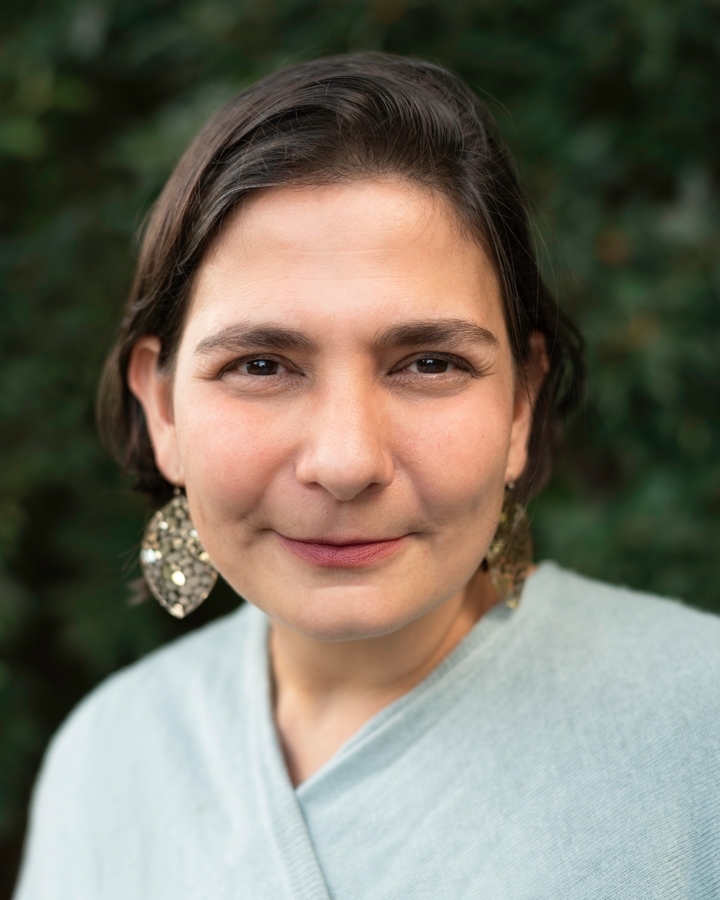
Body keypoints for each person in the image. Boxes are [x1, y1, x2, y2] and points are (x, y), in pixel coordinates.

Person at [13, 54, 720, 900]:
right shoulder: (108, 759)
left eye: (428, 363)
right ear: (162, 410)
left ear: (521, 406)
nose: (346, 463)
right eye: (262, 364)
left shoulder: (696, 729)